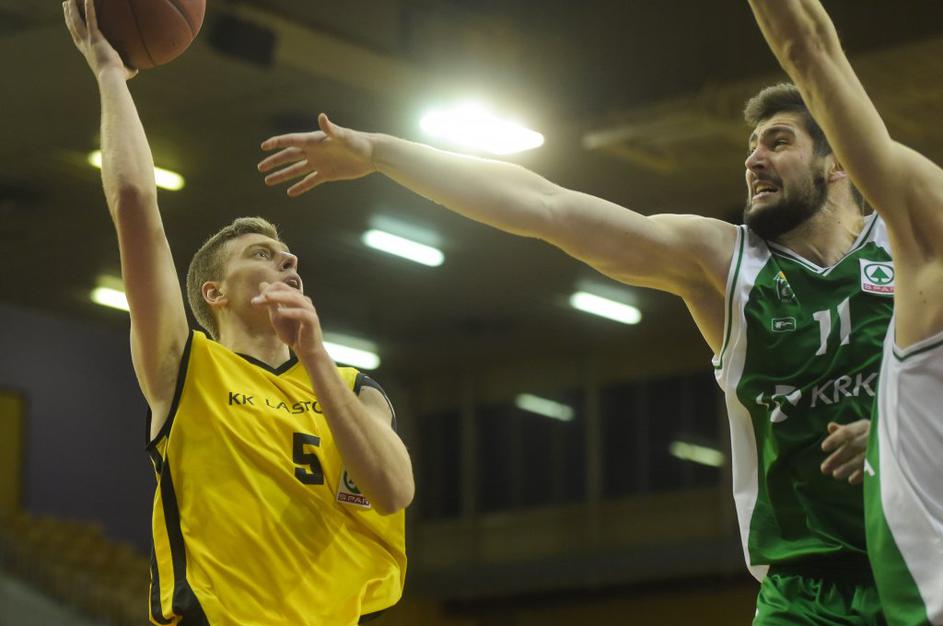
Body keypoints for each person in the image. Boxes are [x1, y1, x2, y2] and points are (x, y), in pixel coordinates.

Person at [257, 50, 893, 626]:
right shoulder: (723, 261)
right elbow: (547, 206)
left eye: (778, 142)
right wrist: (379, 152)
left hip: (919, 562)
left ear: (838, 159)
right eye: (751, 146)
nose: (753, 160)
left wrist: (898, 428)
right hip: (803, 593)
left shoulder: (913, 247)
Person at [63, 1, 413, 625]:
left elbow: (392, 491)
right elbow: (135, 204)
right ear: (214, 294)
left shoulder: (355, 388)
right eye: (260, 254)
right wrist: (110, 74)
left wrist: (314, 356)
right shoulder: (185, 366)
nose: (287, 260)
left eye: (287, 254)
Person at [749, 2, 943, 624]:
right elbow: (807, 45)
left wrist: (887, 440)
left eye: (778, 141)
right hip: (829, 579)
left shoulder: (920, 230)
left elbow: (809, 45)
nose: (753, 159)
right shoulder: (917, 232)